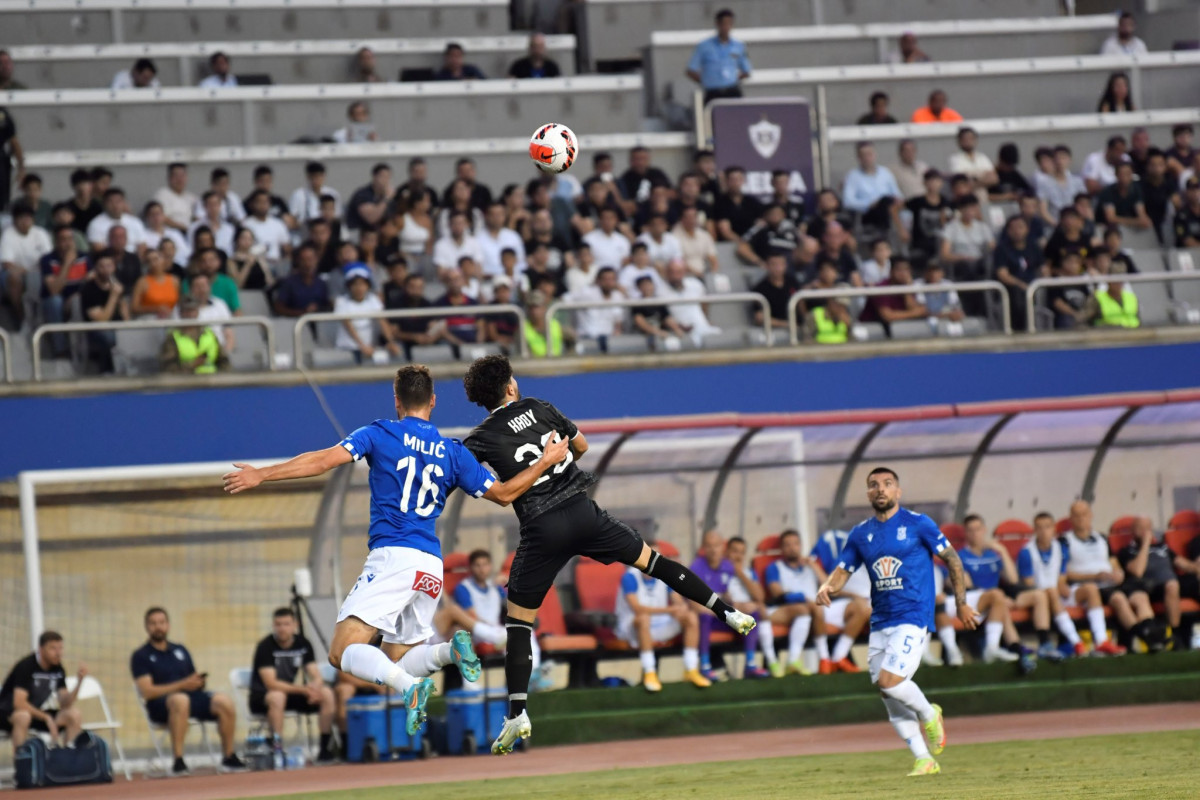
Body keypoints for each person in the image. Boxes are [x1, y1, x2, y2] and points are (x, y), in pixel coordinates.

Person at [223, 366, 571, 739]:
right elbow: (504, 494)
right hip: (430, 566)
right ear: (433, 402)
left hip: (393, 556)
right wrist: (545, 461)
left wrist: (263, 474)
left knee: (342, 652)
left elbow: (323, 460)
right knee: (395, 658)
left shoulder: (379, 433)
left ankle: (409, 689)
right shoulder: (452, 451)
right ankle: (449, 653)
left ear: (396, 400)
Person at [459, 354, 757, 754]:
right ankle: (728, 611)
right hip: (583, 513)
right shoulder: (541, 407)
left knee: (518, 625)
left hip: (541, 527)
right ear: (511, 386)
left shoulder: (479, 436)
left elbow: (478, 482)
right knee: (655, 562)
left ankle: (518, 713)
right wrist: (559, 467)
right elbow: (580, 446)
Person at [817, 467, 976, 777]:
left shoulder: (919, 524)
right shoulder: (861, 533)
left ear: (898, 492)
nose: (881, 489)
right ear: (868, 494)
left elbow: (953, 559)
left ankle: (930, 714)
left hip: (913, 617)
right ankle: (923, 759)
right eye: (874, 485)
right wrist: (827, 586)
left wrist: (961, 604)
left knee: (891, 682)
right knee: (886, 692)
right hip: (880, 621)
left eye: (887, 484)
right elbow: (843, 568)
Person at [131, 607, 246, 775]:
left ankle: (228, 756)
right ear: (147, 627)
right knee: (180, 700)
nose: (158, 627)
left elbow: (191, 679)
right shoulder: (141, 656)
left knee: (223, 700)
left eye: (161, 622)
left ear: (168, 625)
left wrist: (197, 683)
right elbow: (147, 692)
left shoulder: (180, 650)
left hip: (190, 697)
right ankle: (179, 761)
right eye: (153, 623)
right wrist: (182, 685)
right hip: (161, 704)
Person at [959, 514, 1057, 665]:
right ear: (965, 533)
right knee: (999, 602)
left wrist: (1003, 551)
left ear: (984, 530)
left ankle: (1044, 643)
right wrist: (999, 598)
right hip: (980, 602)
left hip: (1001, 595)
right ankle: (1017, 648)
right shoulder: (961, 556)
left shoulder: (992, 554)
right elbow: (968, 586)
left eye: (978, 529)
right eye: (970, 530)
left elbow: (1013, 579)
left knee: (1039, 595)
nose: (975, 534)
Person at [249, 607, 336, 762]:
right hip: (263, 696)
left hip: (290, 694)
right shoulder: (265, 647)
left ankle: (324, 748)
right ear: (273, 625)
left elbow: (314, 673)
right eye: (278, 624)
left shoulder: (303, 643)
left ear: (295, 624)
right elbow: (271, 684)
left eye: (286, 624)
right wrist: (304, 690)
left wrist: (315, 687)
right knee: (277, 696)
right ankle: (277, 747)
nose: (282, 628)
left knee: (327, 694)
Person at [1063, 499, 1146, 654]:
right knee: (1118, 598)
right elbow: (1063, 573)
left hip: (1110, 583)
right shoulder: (1064, 541)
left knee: (1139, 592)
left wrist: (1118, 573)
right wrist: (1095, 576)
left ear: (1091, 515)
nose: (1081, 518)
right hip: (1085, 586)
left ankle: (1148, 630)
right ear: (1071, 519)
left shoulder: (1102, 538)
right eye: (1077, 515)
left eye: (1084, 514)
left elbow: (1114, 562)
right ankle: (1141, 635)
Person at [766, 530, 853, 674]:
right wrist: (801, 597)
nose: (792, 548)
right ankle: (824, 659)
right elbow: (776, 591)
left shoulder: (811, 565)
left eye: (795, 544)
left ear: (800, 546)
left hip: (818, 607)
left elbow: (829, 587)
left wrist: (813, 566)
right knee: (813, 607)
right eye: (787, 545)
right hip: (794, 608)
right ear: (781, 549)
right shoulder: (775, 567)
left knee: (861, 608)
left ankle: (840, 655)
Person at [615, 563, 708, 692]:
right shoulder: (630, 577)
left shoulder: (664, 574)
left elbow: (678, 600)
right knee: (644, 619)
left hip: (660, 625)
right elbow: (637, 609)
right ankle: (649, 671)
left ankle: (691, 669)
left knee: (690, 617)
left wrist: (681, 608)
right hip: (632, 628)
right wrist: (669, 610)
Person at [0, 632, 85, 753]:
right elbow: (19, 703)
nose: (58, 653)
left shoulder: (58, 669)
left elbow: (65, 703)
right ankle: (22, 766)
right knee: (23, 716)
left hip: (35, 715)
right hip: (8, 714)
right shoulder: (26, 666)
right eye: (53, 648)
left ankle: (69, 762)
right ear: (41, 649)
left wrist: (79, 682)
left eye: (60, 648)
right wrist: (46, 718)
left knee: (73, 714)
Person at [1116, 518, 1181, 649]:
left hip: (1163, 586)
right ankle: (1149, 637)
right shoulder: (1127, 551)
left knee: (1173, 585)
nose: (1146, 532)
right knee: (1141, 598)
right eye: (1141, 528)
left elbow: (1182, 563)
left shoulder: (1162, 547)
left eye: (1148, 528)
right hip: (1139, 586)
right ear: (1133, 531)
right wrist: (1146, 544)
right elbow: (1137, 571)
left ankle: (1174, 635)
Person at [335, 264, 400, 363]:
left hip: (369, 348)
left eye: (362, 284)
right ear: (349, 286)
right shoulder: (341, 301)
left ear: (367, 285)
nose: (359, 288)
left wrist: (391, 342)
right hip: (348, 348)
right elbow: (348, 325)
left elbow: (382, 321)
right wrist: (362, 346)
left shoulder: (373, 299)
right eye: (355, 284)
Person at [686, 8, 752, 105]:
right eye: (723, 24)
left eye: (729, 23)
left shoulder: (738, 46)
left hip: (732, 91)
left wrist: (732, 79)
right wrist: (706, 80)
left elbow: (746, 71)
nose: (726, 27)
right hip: (713, 92)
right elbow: (691, 70)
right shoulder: (704, 46)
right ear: (718, 24)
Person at [1, 201, 51, 323]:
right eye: (21, 217)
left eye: (28, 217)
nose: (25, 221)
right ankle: (22, 319)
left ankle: (41, 318)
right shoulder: (8, 234)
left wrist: (35, 271)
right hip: (16, 273)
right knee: (13, 278)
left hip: (38, 272)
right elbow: (7, 264)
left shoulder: (41, 233)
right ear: (15, 219)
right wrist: (28, 272)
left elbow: (48, 258)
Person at [994, 215, 1046, 332]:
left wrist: (1042, 279)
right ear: (1008, 231)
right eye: (1013, 228)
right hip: (1013, 287)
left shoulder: (1033, 246)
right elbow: (1003, 275)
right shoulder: (1002, 249)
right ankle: (1019, 330)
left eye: (1020, 227)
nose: (1017, 231)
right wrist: (1022, 285)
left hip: (1033, 284)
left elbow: (1043, 268)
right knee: (1017, 294)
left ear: (1027, 229)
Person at [79, 250, 128, 372]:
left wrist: (128, 328)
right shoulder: (88, 289)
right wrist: (113, 296)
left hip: (119, 327)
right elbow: (102, 320)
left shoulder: (118, 285)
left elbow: (125, 313)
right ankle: (108, 372)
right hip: (96, 331)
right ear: (95, 268)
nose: (106, 270)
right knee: (108, 337)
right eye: (102, 266)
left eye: (109, 266)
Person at [843, 142, 901, 232]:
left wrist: (897, 201)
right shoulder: (853, 176)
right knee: (884, 202)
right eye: (863, 155)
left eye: (869, 154)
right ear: (859, 158)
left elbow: (897, 194)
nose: (867, 158)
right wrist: (869, 204)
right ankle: (885, 234)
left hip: (890, 210)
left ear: (875, 155)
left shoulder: (885, 172)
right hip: (867, 213)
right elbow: (848, 202)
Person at [160, 297, 227, 374]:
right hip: (186, 382)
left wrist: (222, 377)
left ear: (197, 312)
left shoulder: (209, 333)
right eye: (187, 311)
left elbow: (224, 360)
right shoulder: (173, 337)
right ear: (180, 313)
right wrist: (192, 365)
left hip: (213, 380)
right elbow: (168, 368)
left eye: (193, 310)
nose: (190, 314)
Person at [272, 244, 330, 317]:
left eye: (310, 259)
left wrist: (317, 309)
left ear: (317, 260)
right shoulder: (289, 282)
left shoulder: (322, 284)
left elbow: (328, 306)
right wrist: (301, 313)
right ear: (298, 261)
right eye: (304, 260)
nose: (307, 264)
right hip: (295, 324)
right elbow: (278, 308)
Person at [1038, 145, 1089, 223]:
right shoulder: (1044, 183)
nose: (1060, 162)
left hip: (1076, 224)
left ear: (1070, 160)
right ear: (1052, 161)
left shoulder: (1078, 182)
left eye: (1063, 158)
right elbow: (1043, 211)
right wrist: (1058, 226)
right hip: (1054, 225)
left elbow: (1085, 205)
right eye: (1057, 158)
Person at [1095, 161, 1151, 231]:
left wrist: (1144, 220)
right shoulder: (1108, 192)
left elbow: (1141, 213)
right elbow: (1111, 218)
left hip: (1123, 225)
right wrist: (1136, 221)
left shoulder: (1136, 189)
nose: (1125, 177)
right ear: (1116, 175)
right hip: (1104, 227)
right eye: (1121, 174)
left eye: (1128, 174)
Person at [713, 167, 765, 241]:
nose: (736, 183)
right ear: (726, 181)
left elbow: (760, 223)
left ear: (743, 180)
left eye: (739, 179)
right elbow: (725, 231)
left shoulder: (753, 202)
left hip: (753, 241)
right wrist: (741, 243)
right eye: (732, 180)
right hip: (731, 244)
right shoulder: (720, 204)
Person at [751, 253, 800, 332]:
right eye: (774, 264)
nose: (778, 268)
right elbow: (759, 317)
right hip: (774, 330)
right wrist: (785, 324)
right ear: (766, 266)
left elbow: (801, 304)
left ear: (786, 265)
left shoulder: (792, 282)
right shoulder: (759, 289)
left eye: (781, 264)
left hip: (798, 326)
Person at [242, 190, 293, 262]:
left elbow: (286, 247)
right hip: (254, 263)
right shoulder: (246, 224)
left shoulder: (278, 224)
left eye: (265, 202)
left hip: (275, 263)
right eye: (259, 202)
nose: (262, 205)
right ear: (253, 204)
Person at [289, 162, 341, 230]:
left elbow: (337, 217)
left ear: (324, 176)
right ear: (308, 177)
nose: (316, 180)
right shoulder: (298, 195)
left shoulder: (333, 194)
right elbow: (292, 220)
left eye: (319, 176)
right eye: (313, 177)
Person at [131, 249, 180, 319]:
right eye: (149, 261)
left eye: (156, 259)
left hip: (171, 317)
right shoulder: (142, 282)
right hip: (149, 318)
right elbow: (134, 307)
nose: (153, 264)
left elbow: (178, 304)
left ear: (163, 260)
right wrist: (155, 308)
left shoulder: (174, 280)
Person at [1175, 177, 1200, 247]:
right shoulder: (1181, 215)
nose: (1195, 193)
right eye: (1192, 190)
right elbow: (1187, 241)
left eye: (1197, 189)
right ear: (1186, 192)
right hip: (1186, 254)